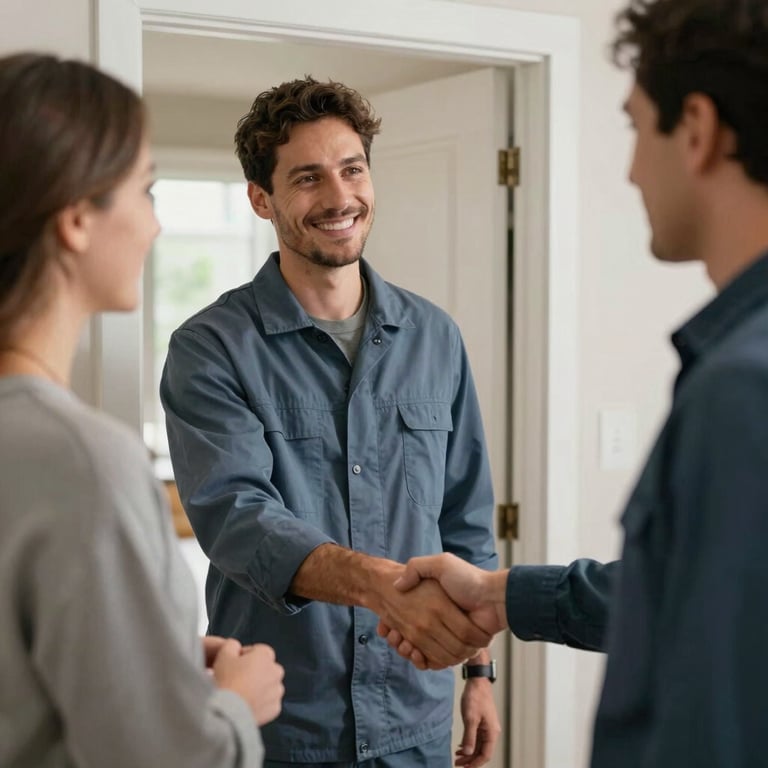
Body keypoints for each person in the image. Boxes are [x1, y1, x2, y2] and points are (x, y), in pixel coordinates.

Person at [382, 0, 768, 765]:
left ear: (696, 128)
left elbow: (717, 716)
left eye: (633, 127)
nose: (628, 170)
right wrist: (502, 595)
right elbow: (689, 595)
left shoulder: (743, 391)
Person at [160, 76, 500, 767]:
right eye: (308, 178)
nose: (340, 197)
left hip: (415, 716)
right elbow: (238, 519)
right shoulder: (211, 347)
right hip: (284, 722)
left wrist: (479, 673)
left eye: (352, 170)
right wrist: (384, 587)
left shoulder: (435, 337)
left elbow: (465, 517)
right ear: (263, 199)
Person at [0, 52, 285, 768]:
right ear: (75, 220)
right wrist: (233, 705)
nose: (156, 225)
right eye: (146, 190)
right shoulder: (83, 460)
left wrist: (144, 664)